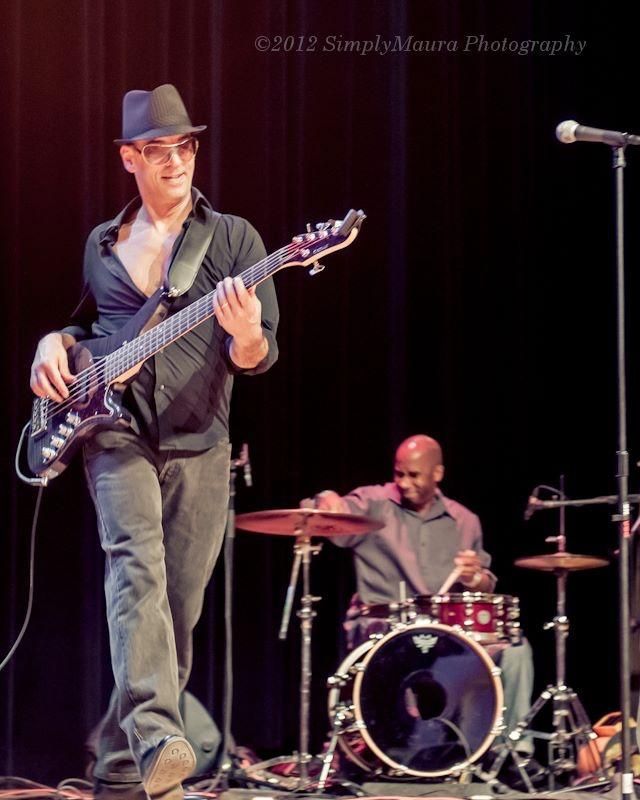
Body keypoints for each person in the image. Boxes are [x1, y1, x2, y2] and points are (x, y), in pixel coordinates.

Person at [29, 84, 279, 800]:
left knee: (176, 609)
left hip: (201, 441)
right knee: (133, 570)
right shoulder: (102, 244)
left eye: (186, 148)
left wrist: (246, 335)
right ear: (130, 158)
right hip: (115, 434)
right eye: (159, 151)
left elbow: (261, 355)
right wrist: (51, 341)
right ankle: (163, 740)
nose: (176, 163)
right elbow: (85, 329)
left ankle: (117, 765)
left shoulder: (232, 239)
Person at [311, 434, 540, 782]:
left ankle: (511, 753)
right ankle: (398, 749)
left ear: (438, 473)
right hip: (381, 627)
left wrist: (474, 577)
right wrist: (327, 500)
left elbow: (486, 583)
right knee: (406, 647)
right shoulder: (374, 502)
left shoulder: (465, 521)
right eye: (399, 473)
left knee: (516, 650)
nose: (404, 483)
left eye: (414, 475)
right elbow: (327, 509)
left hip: (444, 634)